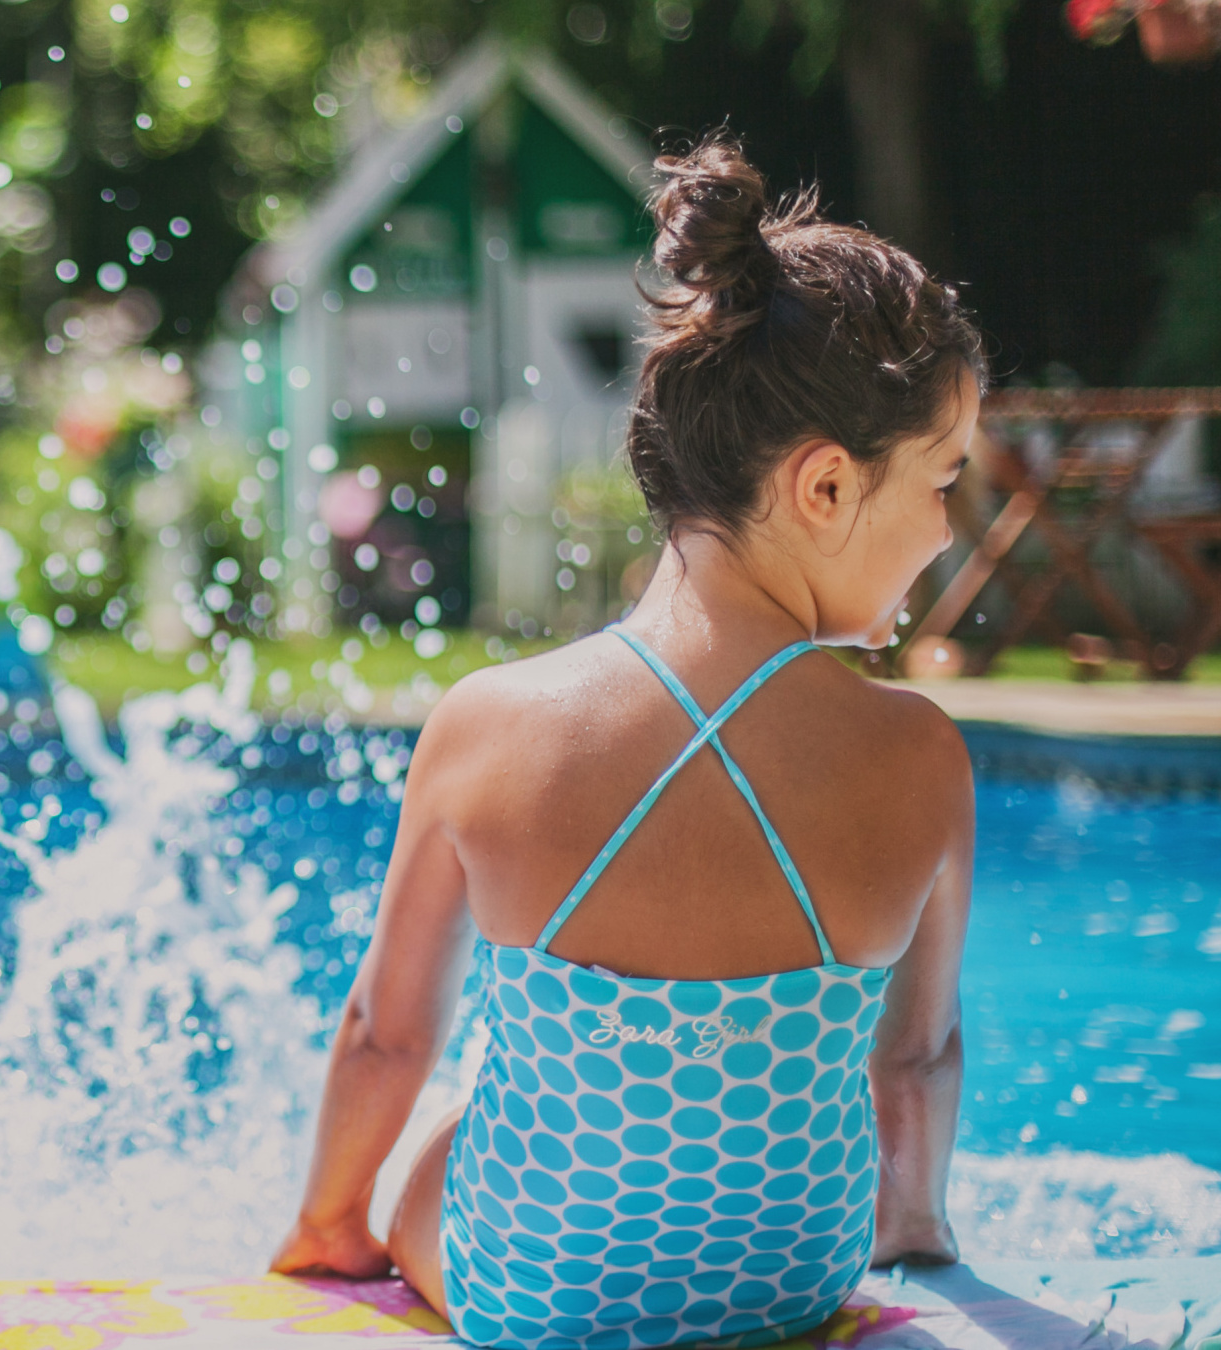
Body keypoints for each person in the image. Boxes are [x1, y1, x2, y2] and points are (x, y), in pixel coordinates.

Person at [272, 135, 979, 1350]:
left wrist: (331, 1233)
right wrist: (912, 1234)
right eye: (941, 479)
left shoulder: (491, 724)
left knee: (440, 1143)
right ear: (822, 487)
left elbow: (386, 1035)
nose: (945, 526)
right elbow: (912, 1064)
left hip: (535, 1296)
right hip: (795, 1281)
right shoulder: (919, 755)